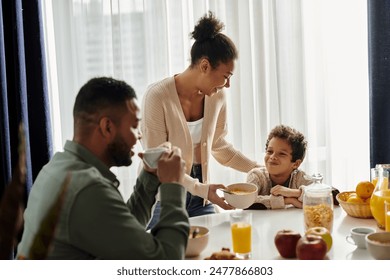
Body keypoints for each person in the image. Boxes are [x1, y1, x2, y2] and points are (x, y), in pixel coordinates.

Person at [16, 77, 189, 259]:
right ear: (107, 127)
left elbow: (122, 234)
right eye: (134, 126)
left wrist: (149, 176)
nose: (139, 136)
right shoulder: (86, 189)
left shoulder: (57, 167)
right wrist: (173, 185)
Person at [141, 11, 259, 228]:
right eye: (226, 77)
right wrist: (201, 188)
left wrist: (258, 169)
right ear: (205, 66)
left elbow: (219, 146)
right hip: (167, 200)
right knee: (164, 257)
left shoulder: (217, 96)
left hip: (201, 200)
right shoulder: (157, 97)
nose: (227, 85)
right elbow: (158, 162)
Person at [246, 125, 313, 210]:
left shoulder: (299, 177)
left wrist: (294, 192)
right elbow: (247, 201)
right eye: (270, 151)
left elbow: (328, 194)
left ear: (296, 164)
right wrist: (288, 200)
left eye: (282, 154)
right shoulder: (256, 176)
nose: (272, 157)